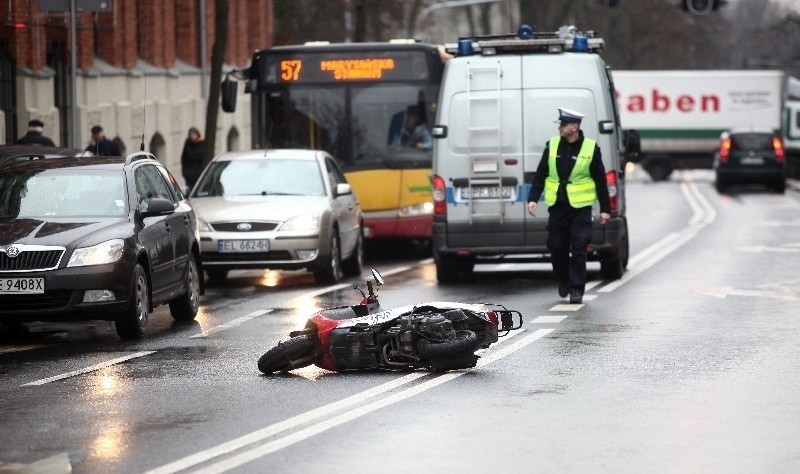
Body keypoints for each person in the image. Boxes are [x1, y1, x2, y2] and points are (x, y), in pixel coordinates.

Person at [526, 107, 611, 304]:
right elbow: (541, 174)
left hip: (581, 209)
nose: (560, 128)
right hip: (558, 207)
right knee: (557, 247)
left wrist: (606, 209)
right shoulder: (553, 145)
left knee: (580, 247)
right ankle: (564, 279)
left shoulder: (591, 148)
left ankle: (576, 289)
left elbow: (600, 180)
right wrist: (533, 198)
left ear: (574, 127)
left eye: (563, 125)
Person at [181, 127, 205, 193]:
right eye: (191, 134)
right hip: (189, 175)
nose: (192, 136)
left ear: (197, 134)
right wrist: (185, 172)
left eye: (193, 134)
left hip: (199, 174)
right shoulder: (187, 144)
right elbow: (183, 158)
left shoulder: (202, 143)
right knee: (190, 192)